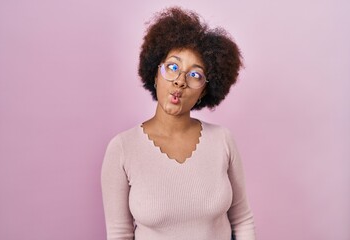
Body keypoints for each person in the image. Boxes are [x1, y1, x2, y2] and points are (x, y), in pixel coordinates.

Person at [101, 7, 256, 240]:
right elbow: (119, 234)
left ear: (204, 91)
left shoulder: (222, 140)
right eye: (173, 67)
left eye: (195, 75)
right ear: (155, 74)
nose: (180, 82)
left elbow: (242, 220)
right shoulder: (122, 148)